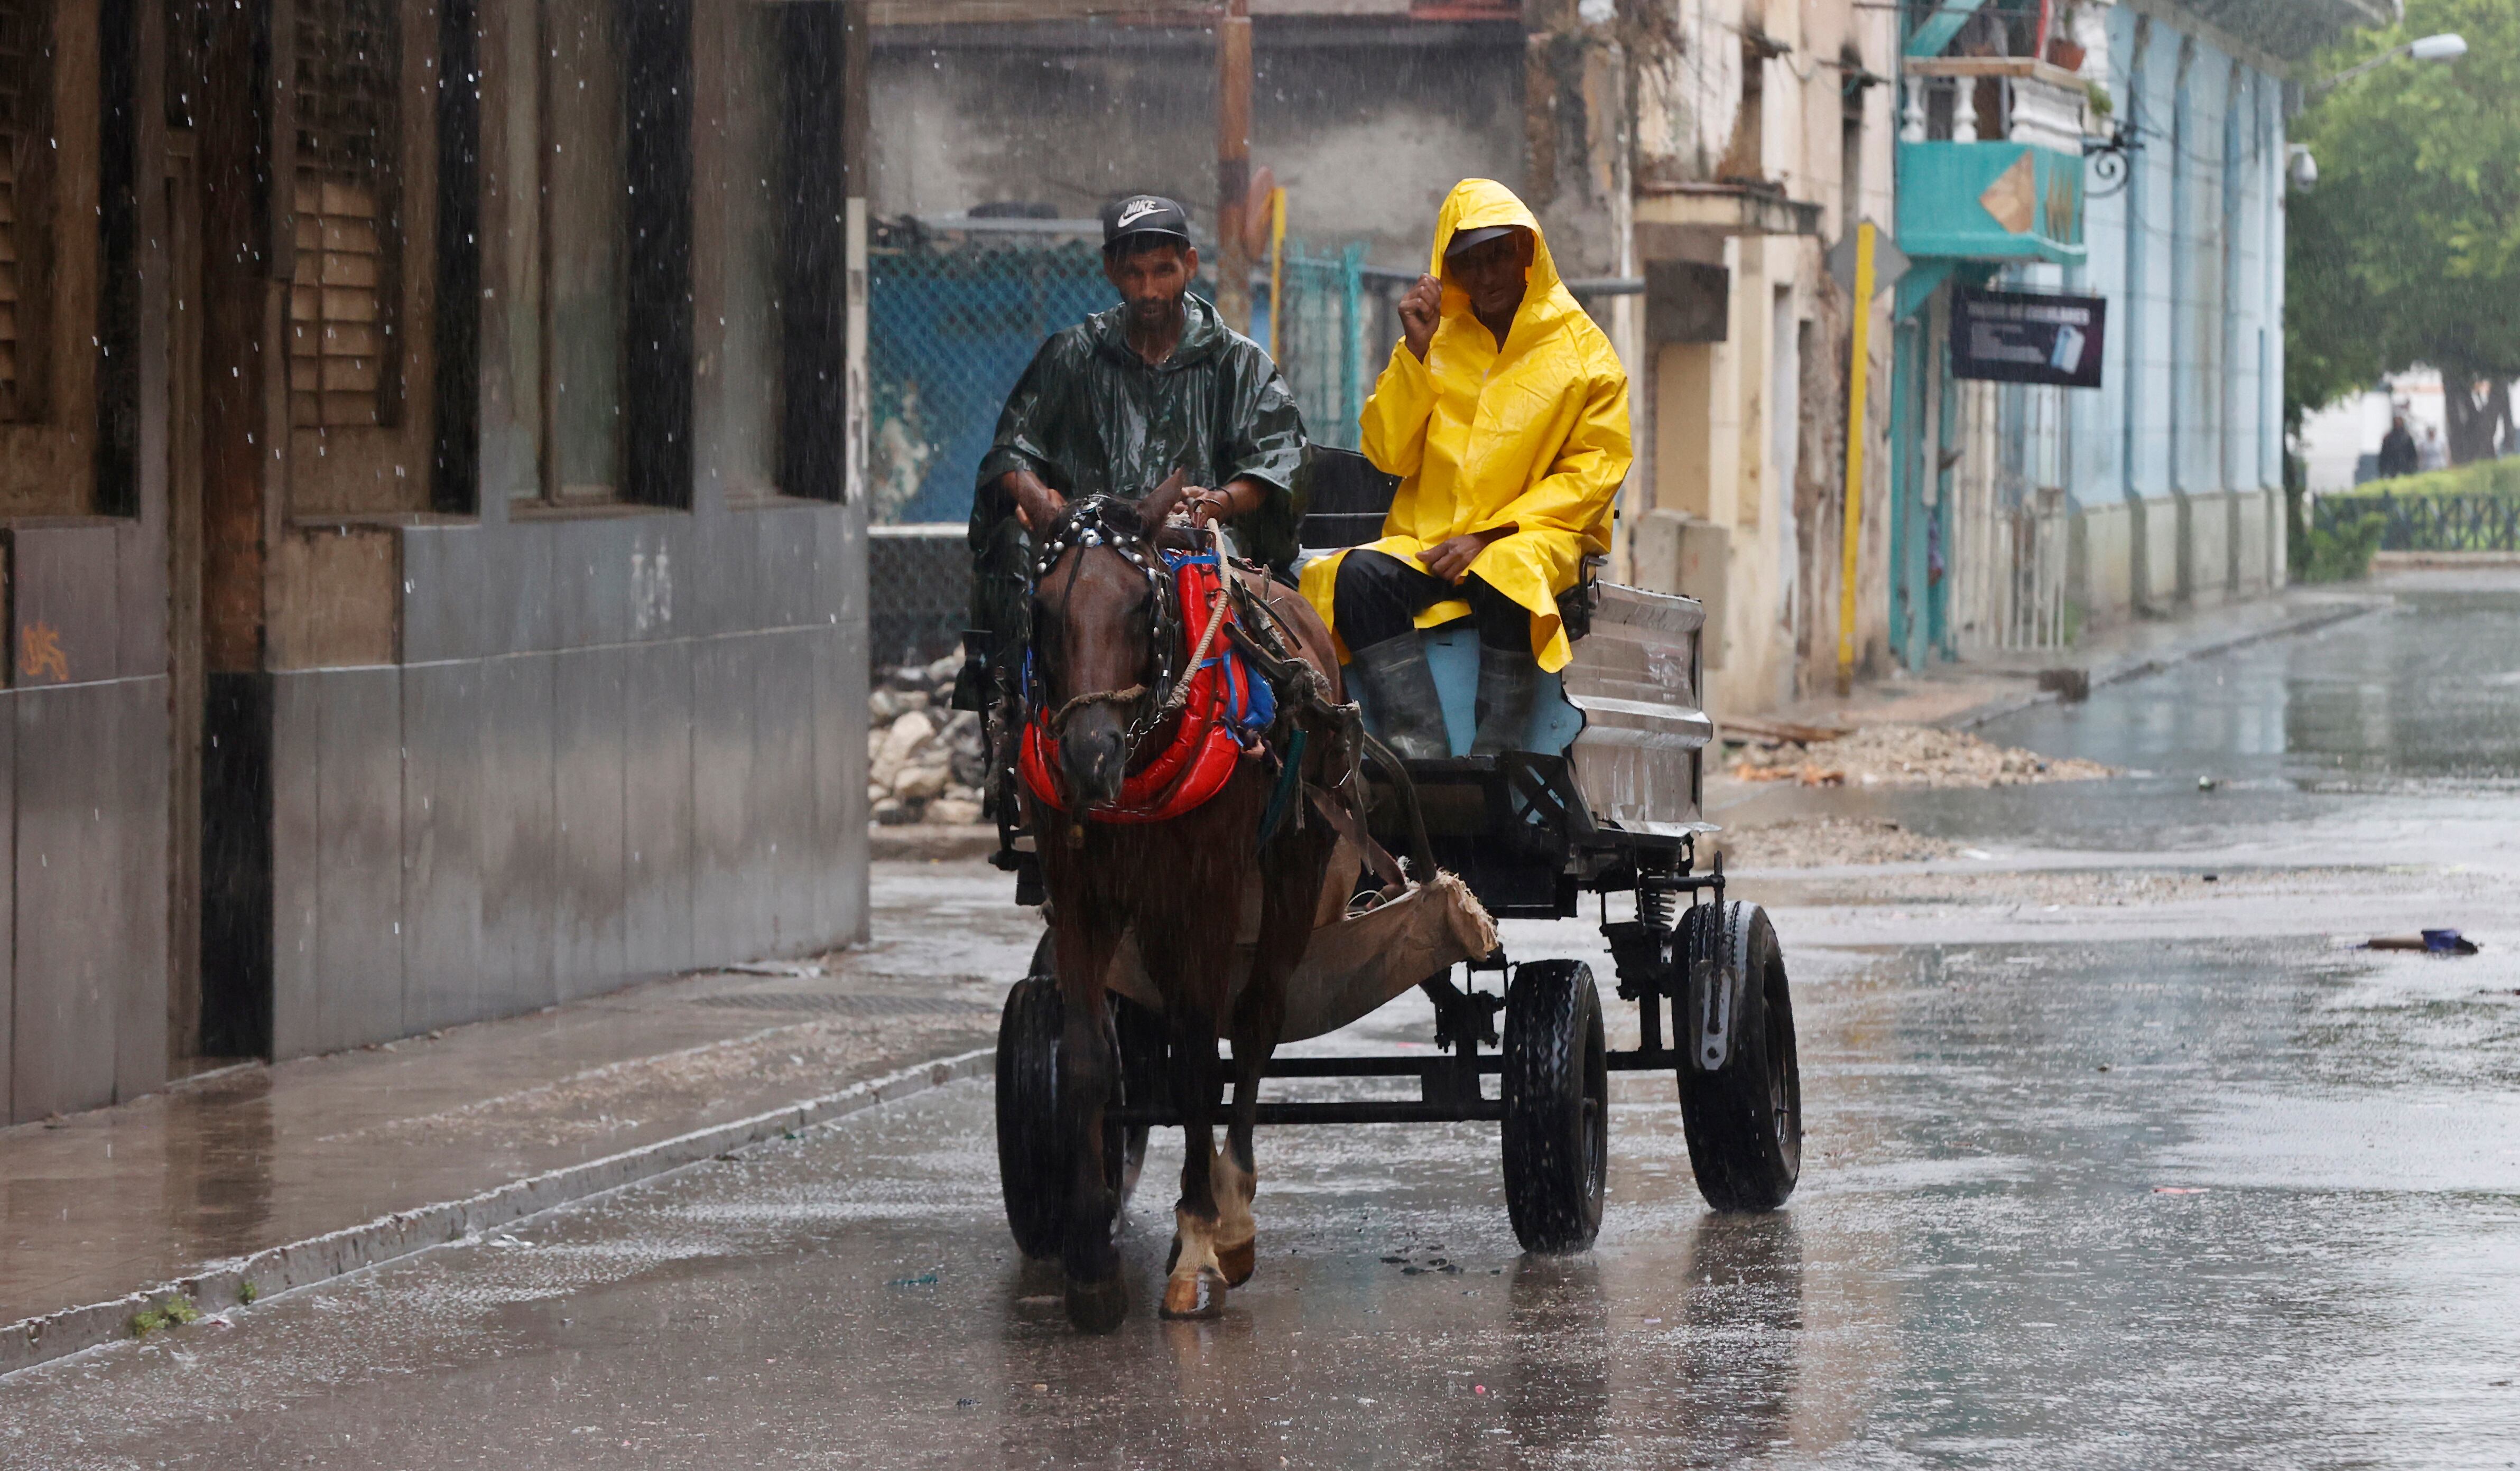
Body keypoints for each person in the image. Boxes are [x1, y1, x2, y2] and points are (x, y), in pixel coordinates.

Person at [1298, 178, 1631, 758]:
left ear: (1528, 253)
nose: (1486, 276)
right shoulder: (1437, 340)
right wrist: (1415, 354)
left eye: (1499, 255)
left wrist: (1493, 534)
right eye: (1469, 263)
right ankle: (1417, 753)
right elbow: (1387, 452)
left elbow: (1594, 473)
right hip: (1432, 542)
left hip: (1528, 540)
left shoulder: (1584, 352)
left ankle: (1495, 758)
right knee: (1355, 578)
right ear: (1448, 269)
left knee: (1507, 572)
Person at [955, 194, 1307, 714]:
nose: (1148, 290)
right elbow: (1011, 451)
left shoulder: (1238, 362)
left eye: (1162, 271)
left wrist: (1215, 503)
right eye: (1133, 273)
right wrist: (1043, 503)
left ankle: (1254, 726)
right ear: (1110, 271)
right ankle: (1013, 711)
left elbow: (1278, 463)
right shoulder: (1071, 354)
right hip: (1085, 549)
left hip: (1197, 539)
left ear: (1189, 265)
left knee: (1232, 589)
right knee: (1011, 546)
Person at [2376, 413, 2419, 479]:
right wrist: (2383, 470)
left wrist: (2413, 468)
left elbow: (2413, 455)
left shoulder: (2407, 438)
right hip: (2392, 469)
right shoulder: (2388, 438)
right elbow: (2384, 456)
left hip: (2405, 468)